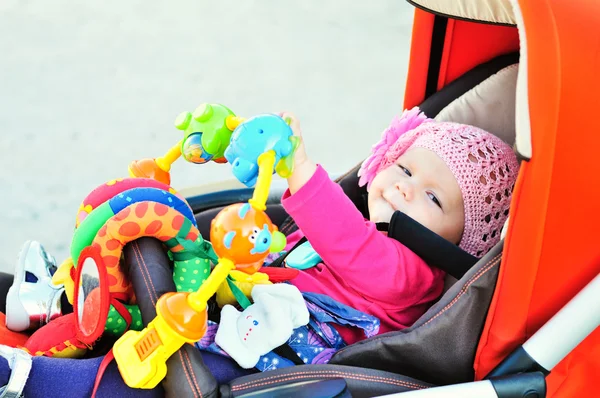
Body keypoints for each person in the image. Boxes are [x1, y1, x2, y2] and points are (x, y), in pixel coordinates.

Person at [199, 107, 520, 369]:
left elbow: (347, 240)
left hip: (278, 350)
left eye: (433, 198)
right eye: (405, 170)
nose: (404, 187)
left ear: (459, 241)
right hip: (244, 299)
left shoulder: (414, 275)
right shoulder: (365, 221)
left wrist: (298, 167)